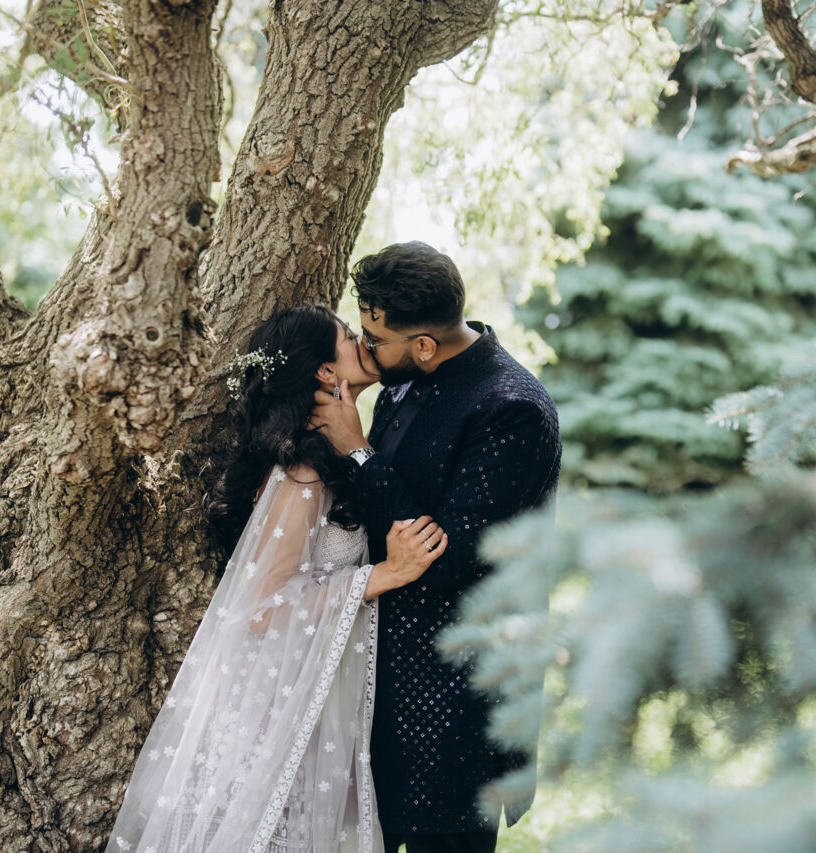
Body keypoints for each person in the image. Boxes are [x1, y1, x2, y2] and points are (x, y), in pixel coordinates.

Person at [107, 304, 448, 853]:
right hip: (272, 703)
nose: (363, 340)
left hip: (309, 689)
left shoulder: (333, 458)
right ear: (324, 371)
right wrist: (381, 576)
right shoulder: (302, 473)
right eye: (349, 335)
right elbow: (261, 607)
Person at [311, 242, 562, 853]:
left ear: (424, 344)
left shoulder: (513, 410)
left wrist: (358, 451)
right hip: (377, 698)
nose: (365, 349)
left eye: (376, 340)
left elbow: (448, 561)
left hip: (456, 712)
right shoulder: (405, 379)